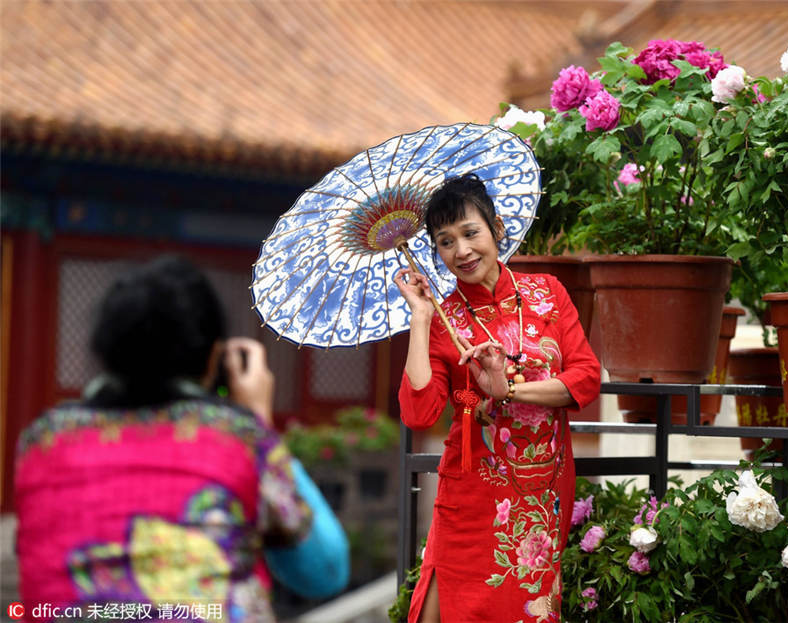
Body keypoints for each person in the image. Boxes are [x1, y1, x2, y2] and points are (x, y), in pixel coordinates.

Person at [15, 255, 348, 623]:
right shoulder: (241, 440)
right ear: (213, 360)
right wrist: (259, 424)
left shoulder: (43, 441)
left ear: (106, 353)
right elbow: (324, 572)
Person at [393, 174, 602, 622]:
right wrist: (421, 317)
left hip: (541, 492)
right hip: (471, 491)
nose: (462, 251)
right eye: (445, 242)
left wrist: (507, 389)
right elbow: (419, 412)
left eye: (471, 233)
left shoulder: (548, 294)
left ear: (497, 229)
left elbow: (585, 378)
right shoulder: (444, 316)